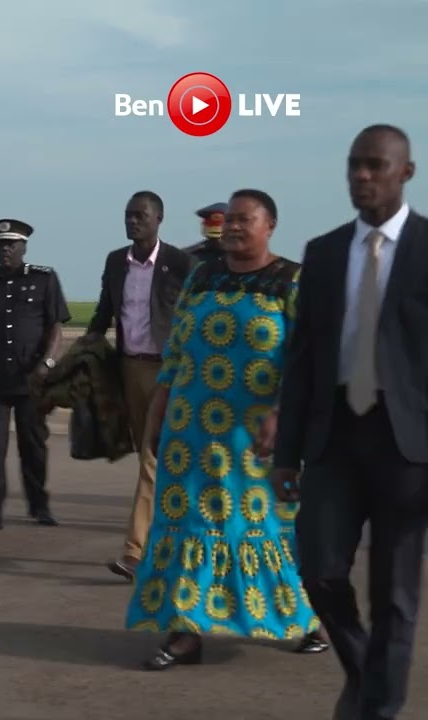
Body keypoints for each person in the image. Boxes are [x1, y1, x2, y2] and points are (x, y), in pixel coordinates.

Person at [125, 189, 327, 671]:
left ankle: (300, 619)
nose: (234, 227)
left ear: (270, 226)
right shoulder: (202, 276)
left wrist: (284, 412)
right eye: (230, 220)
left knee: (261, 530)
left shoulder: (291, 281)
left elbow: (310, 361)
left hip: (255, 438)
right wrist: (158, 413)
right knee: (189, 526)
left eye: (245, 220)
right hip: (190, 435)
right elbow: (176, 353)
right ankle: (186, 632)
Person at [273, 124, 427, 720]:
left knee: (396, 594)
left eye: (375, 166)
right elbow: (304, 357)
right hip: (335, 435)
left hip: (408, 446)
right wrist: (287, 452)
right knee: (318, 569)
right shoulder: (325, 251)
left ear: (405, 172)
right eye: (353, 166)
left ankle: (378, 709)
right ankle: (367, 675)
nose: (361, 176)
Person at [85, 191, 194, 581]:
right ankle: (169, 541)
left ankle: (135, 551)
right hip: (131, 369)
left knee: (152, 456)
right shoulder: (116, 262)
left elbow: (195, 316)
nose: (133, 221)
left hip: (170, 373)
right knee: (154, 457)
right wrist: (87, 347)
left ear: (159, 219)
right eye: (128, 215)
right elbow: (104, 310)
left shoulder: (181, 263)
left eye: (141, 215)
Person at [0, 219, 71, 531]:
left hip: (32, 379)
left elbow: (55, 328)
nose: (5, 250)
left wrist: (48, 364)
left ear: (24, 246)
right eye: (0, 245)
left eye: (11, 245)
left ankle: (39, 506)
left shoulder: (44, 279)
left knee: (33, 444)